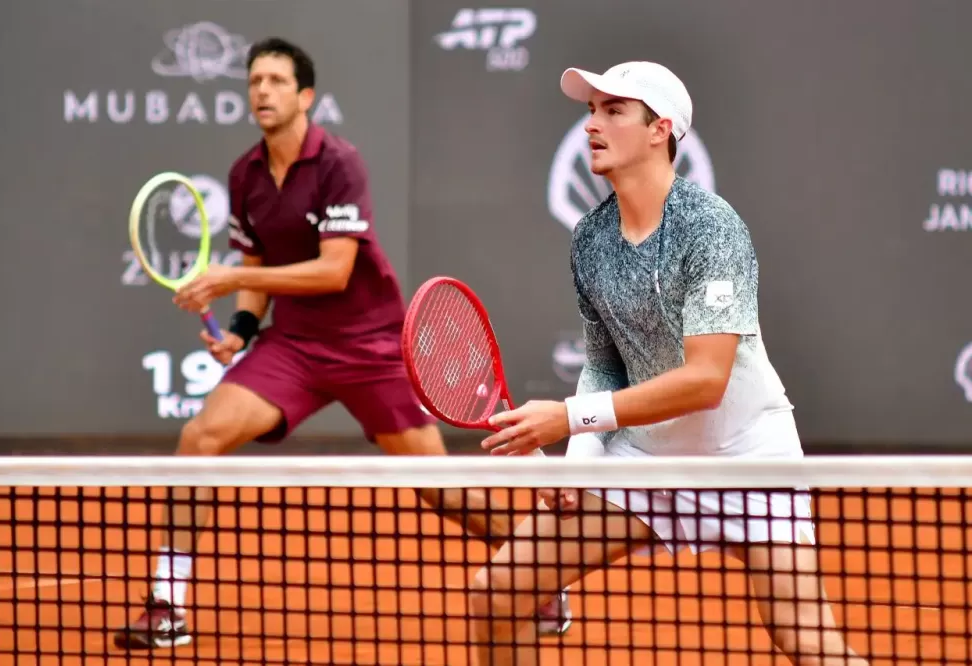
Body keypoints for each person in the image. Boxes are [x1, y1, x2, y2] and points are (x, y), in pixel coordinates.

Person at [113, 37, 526, 650]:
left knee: (443, 488)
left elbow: (332, 271)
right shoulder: (245, 174)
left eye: (277, 81)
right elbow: (255, 269)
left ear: (306, 96)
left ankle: (542, 570)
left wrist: (233, 279)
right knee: (199, 438)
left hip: (370, 347)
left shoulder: (339, 163)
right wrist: (240, 330)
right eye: (255, 81)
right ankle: (168, 602)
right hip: (295, 348)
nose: (262, 91)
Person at [468, 61, 869, 665]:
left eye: (613, 111)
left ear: (660, 129)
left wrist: (569, 419)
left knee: (807, 639)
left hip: (747, 461)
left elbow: (707, 380)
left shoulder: (712, 228)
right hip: (646, 464)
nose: (591, 127)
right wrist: (579, 465)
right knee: (498, 591)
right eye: (590, 112)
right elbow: (605, 360)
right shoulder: (590, 238)